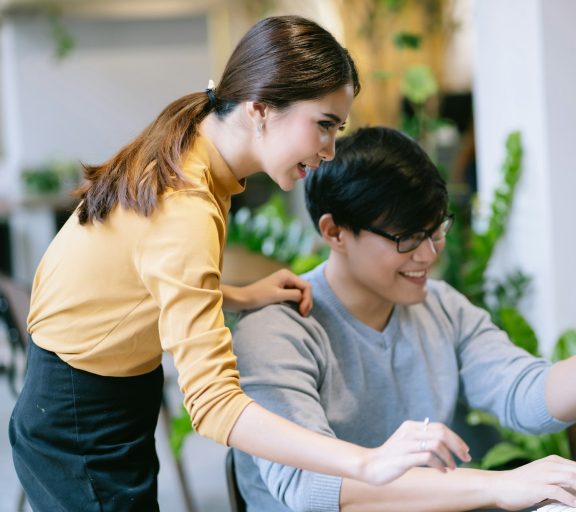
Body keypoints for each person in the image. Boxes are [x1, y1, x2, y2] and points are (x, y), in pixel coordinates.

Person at [8, 17, 469, 512]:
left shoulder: (196, 139)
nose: (330, 151)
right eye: (324, 125)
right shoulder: (185, 208)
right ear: (260, 109)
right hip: (80, 413)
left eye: (339, 129)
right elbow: (213, 406)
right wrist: (364, 462)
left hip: (98, 384)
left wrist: (238, 295)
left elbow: (147, 275)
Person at [232, 126, 576, 512]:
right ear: (334, 232)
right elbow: (310, 487)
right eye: (406, 239)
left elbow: (526, 397)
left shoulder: (439, 305)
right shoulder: (276, 330)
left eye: (435, 231)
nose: (428, 255)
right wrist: (497, 485)